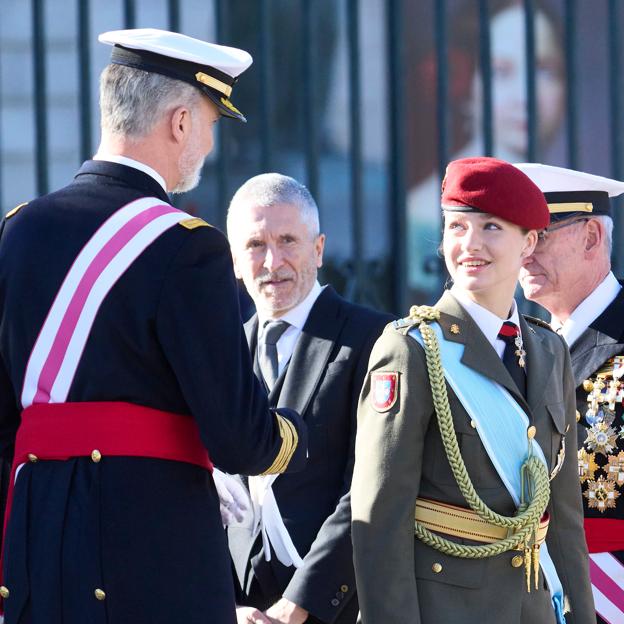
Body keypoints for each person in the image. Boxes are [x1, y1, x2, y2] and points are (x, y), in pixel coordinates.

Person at [0, 28, 307, 624]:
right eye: (212, 124)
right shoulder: (188, 248)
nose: (210, 144)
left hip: (35, 552)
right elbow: (239, 439)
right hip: (150, 560)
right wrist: (291, 433)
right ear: (180, 122)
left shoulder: (18, 230)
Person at [351, 157, 594, 623]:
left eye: (491, 228)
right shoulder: (412, 349)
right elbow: (380, 519)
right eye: (457, 227)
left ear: (528, 243)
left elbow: (563, 517)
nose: (470, 245)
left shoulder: (548, 348)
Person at [223, 173, 392, 624]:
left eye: (287, 241)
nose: (272, 261)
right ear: (235, 260)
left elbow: (372, 484)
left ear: (318, 249)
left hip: (339, 606)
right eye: (255, 245)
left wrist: (299, 605)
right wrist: (229, 607)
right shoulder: (221, 354)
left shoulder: (375, 338)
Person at [517, 162, 624, 624]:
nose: (523, 254)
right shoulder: (526, 345)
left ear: (591, 238)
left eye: (539, 236)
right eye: (518, 238)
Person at [406, 0, 566, 298]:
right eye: (501, 72)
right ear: (466, 83)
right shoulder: (424, 211)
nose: (525, 96)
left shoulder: (567, 196)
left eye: (545, 71)